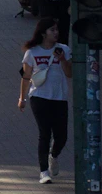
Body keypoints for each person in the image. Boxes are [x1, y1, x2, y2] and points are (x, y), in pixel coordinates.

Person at [17, 16, 72, 183]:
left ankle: (53, 156)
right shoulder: (32, 53)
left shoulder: (63, 49)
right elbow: (26, 77)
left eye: (57, 29)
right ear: (43, 33)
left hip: (59, 97)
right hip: (39, 97)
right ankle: (43, 172)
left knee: (61, 136)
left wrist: (62, 59)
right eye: (52, 30)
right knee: (44, 133)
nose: (56, 33)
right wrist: (22, 98)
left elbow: (70, 74)